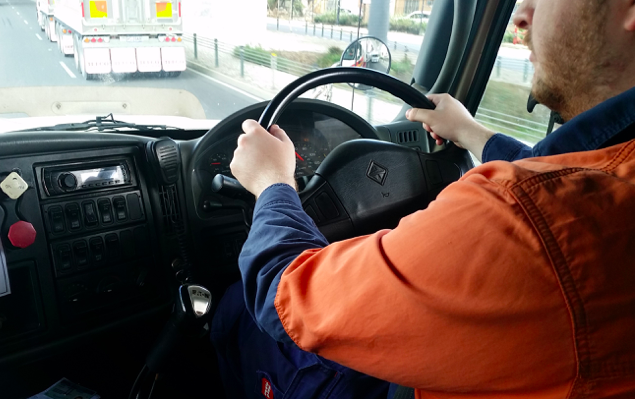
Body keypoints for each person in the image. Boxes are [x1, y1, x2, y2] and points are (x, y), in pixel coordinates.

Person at [214, 0, 635, 398]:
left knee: (238, 307)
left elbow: (287, 298)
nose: (521, 15)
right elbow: (562, 173)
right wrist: (472, 133)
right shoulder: (606, 179)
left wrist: (272, 182)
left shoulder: (522, 216)